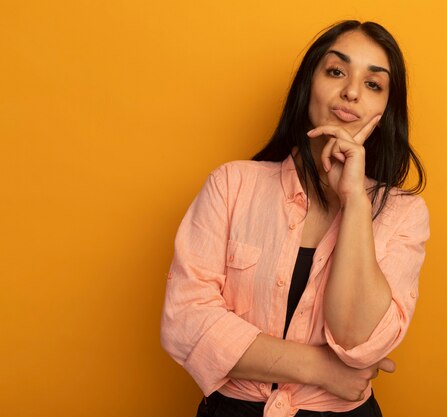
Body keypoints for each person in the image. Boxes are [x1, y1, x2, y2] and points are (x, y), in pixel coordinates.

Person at [160, 20, 430, 417]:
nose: (351, 92)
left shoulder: (404, 213)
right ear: (308, 84)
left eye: (373, 84)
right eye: (336, 71)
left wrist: (354, 198)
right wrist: (321, 368)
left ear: (386, 108)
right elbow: (185, 321)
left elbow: (358, 339)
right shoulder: (232, 185)